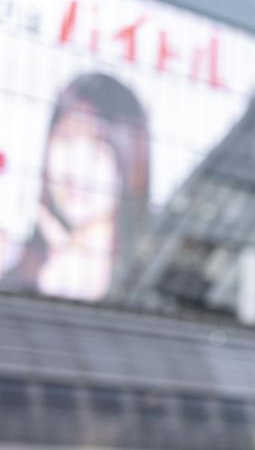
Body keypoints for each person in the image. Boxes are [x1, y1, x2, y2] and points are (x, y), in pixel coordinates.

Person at [0, 72, 150, 301]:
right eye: (67, 140)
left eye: (98, 150)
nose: (77, 171)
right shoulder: (14, 254)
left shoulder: (146, 278)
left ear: (130, 163)